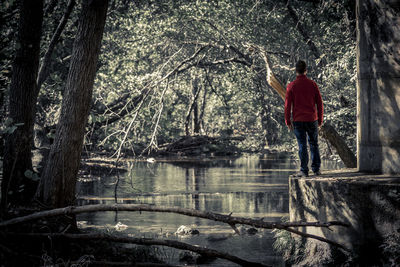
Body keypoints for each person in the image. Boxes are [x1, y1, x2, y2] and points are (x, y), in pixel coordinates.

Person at [285, 60, 323, 177]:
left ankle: (304, 170)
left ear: (295, 71)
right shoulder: (313, 84)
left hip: (298, 120)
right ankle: (316, 169)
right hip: (312, 119)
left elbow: (287, 105)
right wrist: (320, 120)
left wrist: (288, 121)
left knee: (302, 145)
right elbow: (319, 103)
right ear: (306, 70)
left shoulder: (291, 86)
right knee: (314, 144)